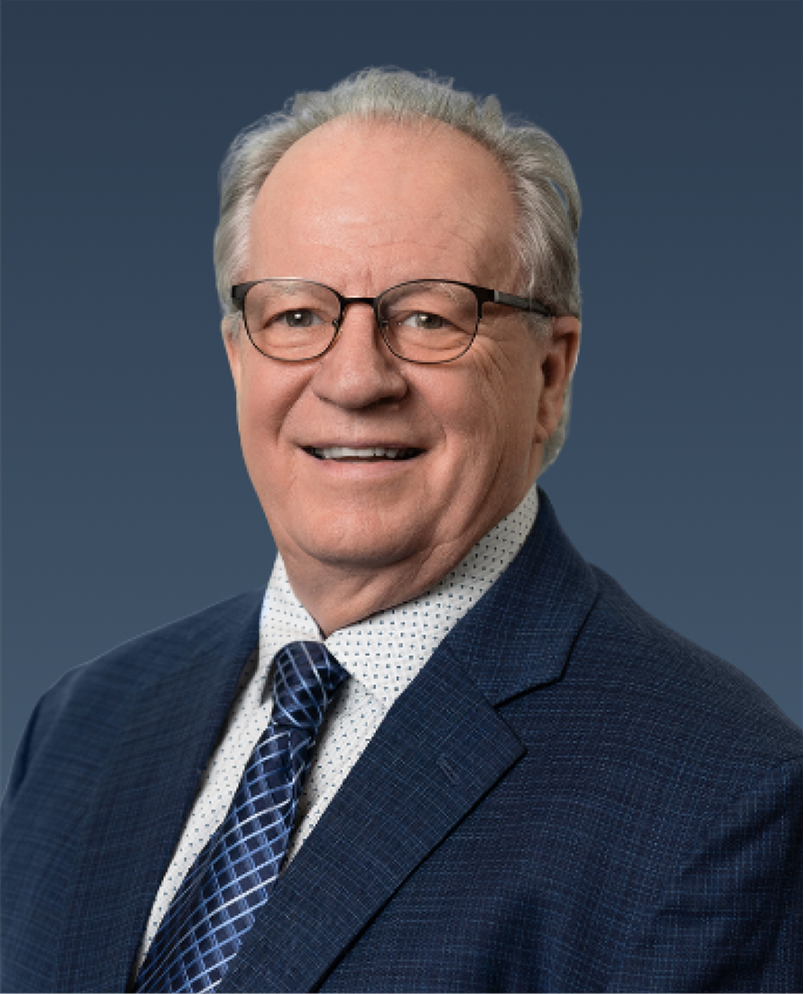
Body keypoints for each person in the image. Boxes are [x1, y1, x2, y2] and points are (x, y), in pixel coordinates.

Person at [1, 69, 800, 994]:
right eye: (296, 315)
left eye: (427, 317)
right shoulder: (83, 723)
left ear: (550, 373)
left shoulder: (722, 796)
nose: (352, 380)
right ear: (236, 357)